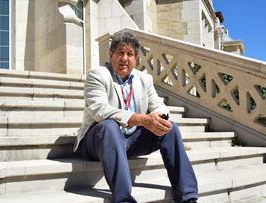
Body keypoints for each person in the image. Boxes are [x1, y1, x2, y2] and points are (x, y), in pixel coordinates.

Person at [74, 31, 198, 203]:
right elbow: (99, 111)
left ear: (136, 58)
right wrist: (143, 119)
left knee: (170, 128)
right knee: (109, 126)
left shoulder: (144, 79)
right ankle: (124, 199)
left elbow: (159, 105)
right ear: (111, 55)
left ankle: (188, 197)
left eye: (129, 54)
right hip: (98, 142)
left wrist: (158, 116)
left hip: (130, 141)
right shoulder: (98, 75)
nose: (124, 58)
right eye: (120, 53)